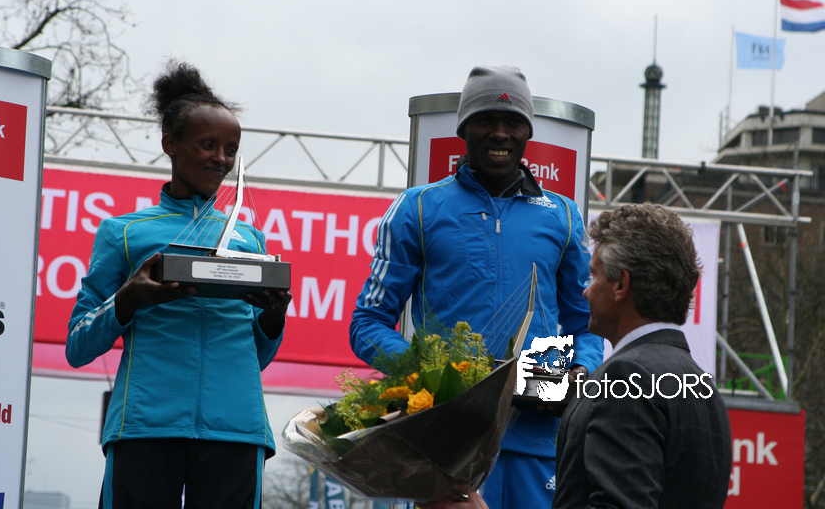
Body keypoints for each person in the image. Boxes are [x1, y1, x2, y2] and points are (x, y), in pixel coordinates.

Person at [349, 65, 604, 509]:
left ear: (528, 131)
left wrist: (578, 374)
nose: (500, 133)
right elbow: (367, 324)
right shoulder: (417, 208)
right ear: (463, 128)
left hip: (536, 441)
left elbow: (587, 325)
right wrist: (433, 378)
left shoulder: (563, 215)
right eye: (485, 120)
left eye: (513, 122)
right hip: (447, 447)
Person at [66, 60, 291, 509]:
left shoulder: (250, 239)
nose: (221, 159)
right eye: (208, 144)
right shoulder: (123, 232)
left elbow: (258, 357)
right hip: (145, 424)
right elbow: (78, 345)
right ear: (170, 144)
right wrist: (128, 298)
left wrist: (272, 317)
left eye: (230, 149)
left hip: (237, 427)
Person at [554, 203, 732, 509]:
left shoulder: (626, 378)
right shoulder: (705, 390)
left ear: (621, 284)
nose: (585, 291)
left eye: (593, 275)